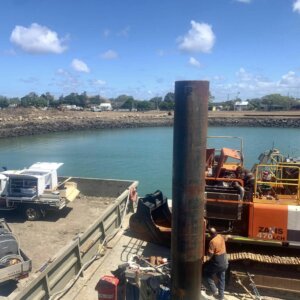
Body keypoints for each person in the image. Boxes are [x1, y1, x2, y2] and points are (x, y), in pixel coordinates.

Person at [203, 227, 229, 300]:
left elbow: (210, 255)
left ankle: (213, 290)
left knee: (206, 273)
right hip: (225, 261)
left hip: (218, 262)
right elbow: (226, 237)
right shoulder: (220, 236)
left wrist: (205, 259)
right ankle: (221, 296)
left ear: (210, 234)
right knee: (221, 278)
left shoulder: (212, 241)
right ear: (216, 232)